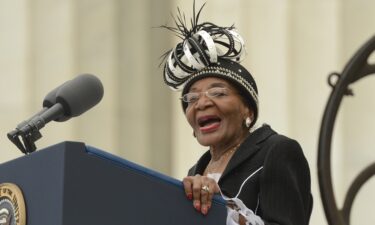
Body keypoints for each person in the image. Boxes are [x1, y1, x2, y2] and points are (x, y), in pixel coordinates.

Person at [161, 3, 313, 225]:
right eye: (192, 99)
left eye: (218, 93)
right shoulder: (195, 171)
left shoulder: (277, 151)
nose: (202, 103)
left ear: (247, 109)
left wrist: (225, 210)